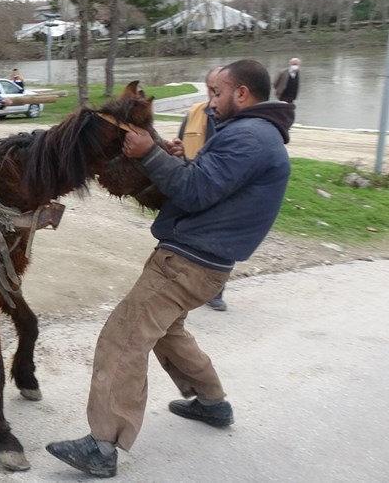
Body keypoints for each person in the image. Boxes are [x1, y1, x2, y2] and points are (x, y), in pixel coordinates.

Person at [45, 59, 294, 478]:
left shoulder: (249, 137)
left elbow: (195, 192)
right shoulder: (255, 134)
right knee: (167, 332)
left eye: (216, 93)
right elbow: (212, 182)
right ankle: (212, 402)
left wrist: (149, 155)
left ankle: (103, 445)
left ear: (243, 94)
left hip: (188, 262)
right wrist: (178, 159)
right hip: (204, 262)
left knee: (123, 337)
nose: (210, 103)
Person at [176, 66, 228, 311]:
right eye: (211, 90)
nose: (214, 96)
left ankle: (215, 291)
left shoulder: (235, 120)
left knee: (219, 239)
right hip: (193, 183)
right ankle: (186, 288)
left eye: (219, 91)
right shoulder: (195, 112)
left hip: (220, 187)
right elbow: (181, 141)